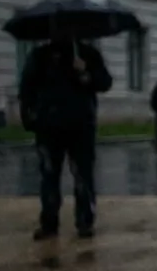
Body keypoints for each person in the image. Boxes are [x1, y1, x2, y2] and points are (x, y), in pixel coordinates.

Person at [19, 28, 113, 240]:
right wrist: (29, 116)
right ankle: (49, 222)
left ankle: (84, 221)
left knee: (83, 175)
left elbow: (105, 82)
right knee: (49, 176)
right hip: (49, 126)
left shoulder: (87, 54)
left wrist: (85, 73)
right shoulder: (40, 56)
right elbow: (26, 87)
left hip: (81, 126)